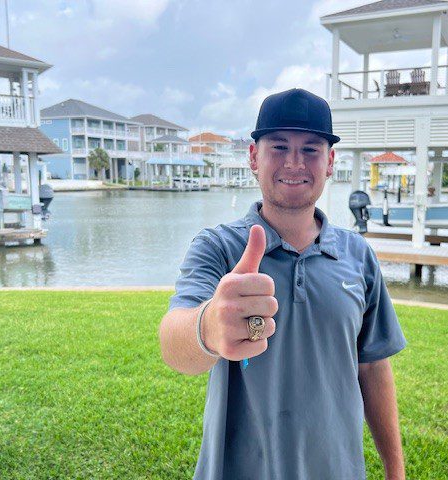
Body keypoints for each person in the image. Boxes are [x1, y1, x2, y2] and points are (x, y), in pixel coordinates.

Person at [159, 88, 407, 480]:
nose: (294, 162)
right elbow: (175, 345)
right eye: (279, 146)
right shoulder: (218, 247)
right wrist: (208, 326)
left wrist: (396, 470)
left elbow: (373, 366)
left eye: (310, 149)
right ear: (253, 157)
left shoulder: (358, 255)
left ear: (330, 162)